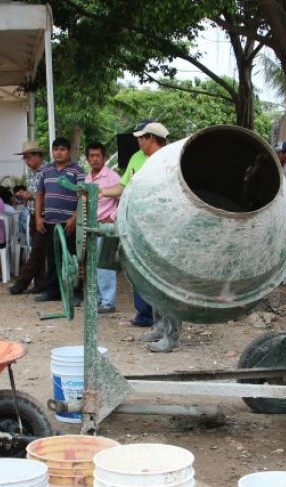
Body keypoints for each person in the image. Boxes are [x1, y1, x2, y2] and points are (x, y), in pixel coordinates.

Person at [101, 121, 180, 352]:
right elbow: (124, 186)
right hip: (143, 227)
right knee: (151, 280)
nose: (138, 141)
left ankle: (172, 336)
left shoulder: (171, 159)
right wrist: (102, 191)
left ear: (152, 138)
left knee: (167, 283)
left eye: (141, 138)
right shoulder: (137, 158)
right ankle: (159, 327)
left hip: (166, 227)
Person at [33, 137, 85, 304]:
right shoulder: (46, 170)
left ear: (68, 152)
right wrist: (38, 217)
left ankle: (76, 293)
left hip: (70, 223)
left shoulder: (77, 170)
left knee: (73, 258)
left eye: (62, 149)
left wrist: (74, 218)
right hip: (49, 222)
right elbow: (40, 194)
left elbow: (83, 196)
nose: (59, 153)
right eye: (56, 149)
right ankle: (52, 291)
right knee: (52, 257)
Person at [83, 141, 121, 314]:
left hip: (106, 226)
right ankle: (97, 299)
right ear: (87, 158)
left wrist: (112, 218)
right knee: (92, 264)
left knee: (105, 265)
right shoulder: (87, 178)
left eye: (98, 155)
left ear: (104, 157)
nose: (95, 159)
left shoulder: (112, 176)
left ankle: (108, 302)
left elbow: (124, 198)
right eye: (92, 156)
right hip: (91, 226)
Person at [7, 141, 47, 295]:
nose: (26, 160)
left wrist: (32, 195)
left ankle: (21, 283)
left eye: (28, 157)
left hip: (44, 215)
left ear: (38, 156)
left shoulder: (48, 171)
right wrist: (25, 196)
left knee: (36, 251)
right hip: (32, 213)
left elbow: (50, 194)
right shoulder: (30, 173)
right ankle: (40, 284)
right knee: (38, 251)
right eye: (24, 158)